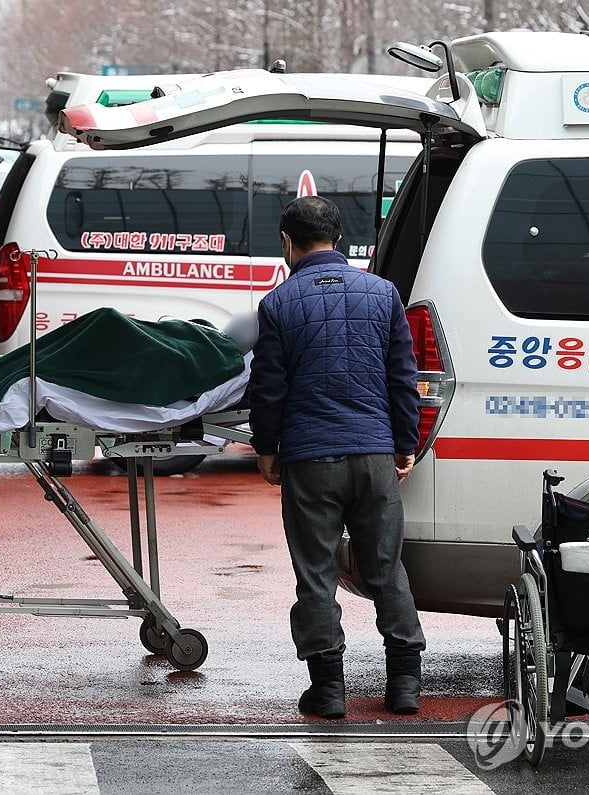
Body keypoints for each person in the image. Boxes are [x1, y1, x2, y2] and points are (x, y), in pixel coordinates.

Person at [249, 196, 426, 719]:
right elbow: (403, 377)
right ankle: (405, 686)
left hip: (310, 457)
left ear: (287, 242)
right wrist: (405, 442)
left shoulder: (278, 303)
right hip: (373, 454)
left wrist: (266, 448)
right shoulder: (382, 294)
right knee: (386, 567)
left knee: (316, 574)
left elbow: (269, 387)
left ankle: (328, 689)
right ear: (339, 237)